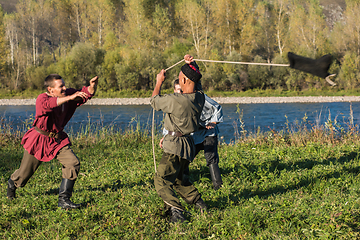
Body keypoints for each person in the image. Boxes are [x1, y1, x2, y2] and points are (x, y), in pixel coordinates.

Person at [7, 74, 98, 209]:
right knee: (24, 175)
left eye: (64, 85)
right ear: (50, 90)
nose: (65, 88)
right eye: (61, 87)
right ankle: (12, 184)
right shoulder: (42, 99)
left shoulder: (67, 95)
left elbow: (84, 94)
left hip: (57, 140)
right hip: (39, 140)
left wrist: (91, 87)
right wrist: (70, 97)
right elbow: (48, 105)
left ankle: (64, 200)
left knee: (73, 163)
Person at [151, 55, 206, 223]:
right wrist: (192, 64)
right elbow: (197, 82)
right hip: (189, 145)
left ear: (182, 79)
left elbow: (154, 101)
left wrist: (159, 81)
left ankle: (176, 211)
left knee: (161, 180)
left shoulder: (176, 100)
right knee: (179, 179)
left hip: (174, 145)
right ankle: (199, 203)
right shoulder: (200, 97)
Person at [161, 81, 224, 190]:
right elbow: (171, 123)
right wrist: (165, 136)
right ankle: (184, 185)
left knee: (211, 158)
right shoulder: (174, 103)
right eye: (178, 90)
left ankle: (218, 186)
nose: (180, 92)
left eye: (182, 89)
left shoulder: (198, 97)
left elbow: (217, 108)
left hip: (208, 132)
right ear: (174, 91)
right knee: (184, 157)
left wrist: (213, 122)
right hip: (193, 135)